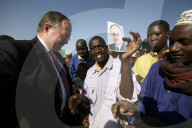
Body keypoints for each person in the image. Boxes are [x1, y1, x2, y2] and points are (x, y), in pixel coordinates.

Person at [0, 11, 81, 128]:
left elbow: (54, 83)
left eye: (69, 38)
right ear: (47, 28)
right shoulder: (16, 51)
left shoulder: (58, 57)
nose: (67, 42)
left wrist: (70, 89)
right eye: (64, 36)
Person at [112, 9, 192, 127]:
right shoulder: (157, 68)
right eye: (173, 42)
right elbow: (144, 100)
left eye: (184, 42)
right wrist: (134, 107)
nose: (174, 48)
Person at [81, 34, 141, 128]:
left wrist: (125, 61)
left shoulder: (121, 67)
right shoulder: (90, 73)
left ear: (107, 48)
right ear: (90, 51)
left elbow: (129, 99)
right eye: (93, 48)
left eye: (100, 46)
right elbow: (89, 99)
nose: (97, 51)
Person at [133, 20, 170, 84]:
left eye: (157, 34)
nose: (152, 38)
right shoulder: (140, 61)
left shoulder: (177, 57)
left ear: (168, 34)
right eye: (149, 36)